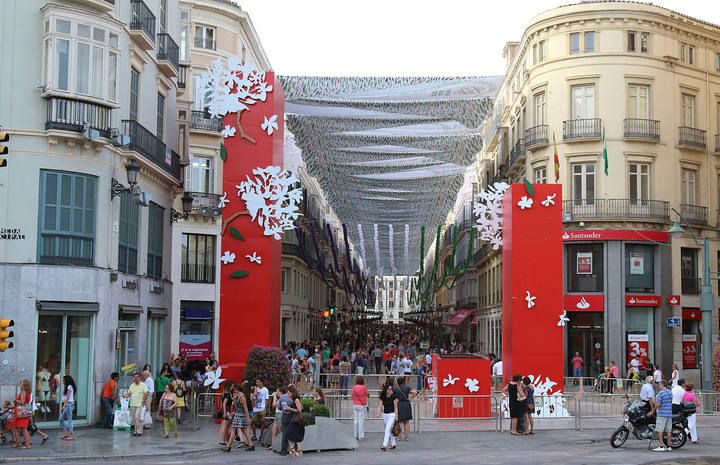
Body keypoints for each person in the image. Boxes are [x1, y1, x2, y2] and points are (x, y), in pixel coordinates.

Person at [224, 384, 254, 452]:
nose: (233, 390)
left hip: (241, 416)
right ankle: (251, 444)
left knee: (234, 430)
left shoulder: (242, 397)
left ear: (236, 389)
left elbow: (245, 409)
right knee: (244, 430)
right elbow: (236, 407)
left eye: (234, 389)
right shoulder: (237, 396)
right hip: (238, 415)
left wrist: (248, 418)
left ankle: (228, 446)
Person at [649, 380, 673, 451]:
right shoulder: (670, 392)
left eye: (659, 385)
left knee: (660, 430)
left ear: (662, 385)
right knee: (668, 430)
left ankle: (661, 446)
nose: (659, 386)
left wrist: (653, 410)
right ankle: (669, 446)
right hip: (669, 414)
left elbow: (658, 404)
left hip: (662, 414)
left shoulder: (661, 393)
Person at [124, 372, 148, 437]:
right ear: (133, 378)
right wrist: (125, 395)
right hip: (132, 403)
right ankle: (135, 431)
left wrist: (143, 400)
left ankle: (139, 431)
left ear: (140, 378)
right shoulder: (132, 385)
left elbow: (146, 393)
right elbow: (129, 393)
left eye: (137, 377)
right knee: (133, 418)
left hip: (140, 403)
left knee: (137, 417)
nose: (136, 378)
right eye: (134, 377)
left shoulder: (143, 385)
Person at [10, 380, 32, 448]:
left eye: (21, 383)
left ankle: (27, 444)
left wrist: (16, 400)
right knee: (16, 427)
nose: (20, 384)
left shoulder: (23, 391)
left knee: (23, 429)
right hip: (22, 413)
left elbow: (22, 402)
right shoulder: (27, 392)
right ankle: (18, 443)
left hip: (21, 413)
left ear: (24, 384)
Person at [284, 386, 305, 457]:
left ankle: (295, 450)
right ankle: (296, 450)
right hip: (294, 419)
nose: (288, 395)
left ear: (293, 393)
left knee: (288, 432)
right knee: (293, 434)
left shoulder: (296, 400)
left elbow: (299, 410)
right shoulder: (294, 400)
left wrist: (289, 408)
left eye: (289, 393)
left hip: (296, 420)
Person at [377, 379, 398, 451]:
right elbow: (380, 406)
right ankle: (393, 444)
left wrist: (396, 416)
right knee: (390, 429)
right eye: (389, 389)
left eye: (391, 389)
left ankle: (384, 445)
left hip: (392, 414)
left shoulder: (393, 397)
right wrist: (378, 413)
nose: (390, 390)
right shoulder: (383, 397)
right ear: (386, 389)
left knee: (387, 429)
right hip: (385, 415)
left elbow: (396, 407)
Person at [59, 373, 77, 441]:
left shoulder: (69, 386)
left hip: (69, 404)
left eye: (63, 380)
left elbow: (68, 397)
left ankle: (71, 435)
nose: (63, 381)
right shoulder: (68, 386)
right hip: (68, 404)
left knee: (69, 420)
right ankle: (66, 433)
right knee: (61, 419)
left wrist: (63, 406)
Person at [351, 375, 369, 440]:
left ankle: (355, 434)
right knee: (361, 420)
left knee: (355, 420)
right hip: (361, 405)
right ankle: (361, 435)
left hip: (355, 404)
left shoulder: (354, 387)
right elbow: (367, 394)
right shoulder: (363, 387)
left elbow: (352, 395)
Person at [270, 386, 288, 451]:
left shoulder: (282, 398)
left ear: (281, 392)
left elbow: (274, 405)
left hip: (280, 414)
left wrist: (274, 396)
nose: (276, 393)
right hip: (277, 415)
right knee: (273, 431)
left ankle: (280, 446)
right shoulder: (280, 398)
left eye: (277, 391)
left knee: (280, 431)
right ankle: (273, 445)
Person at [218, 381, 234, 446]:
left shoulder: (224, 393)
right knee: (225, 426)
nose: (233, 387)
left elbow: (222, 403)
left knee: (224, 426)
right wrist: (225, 412)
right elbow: (224, 403)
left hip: (226, 410)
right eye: (232, 386)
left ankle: (223, 439)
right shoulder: (227, 394)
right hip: (227, 411)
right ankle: (223, 440)